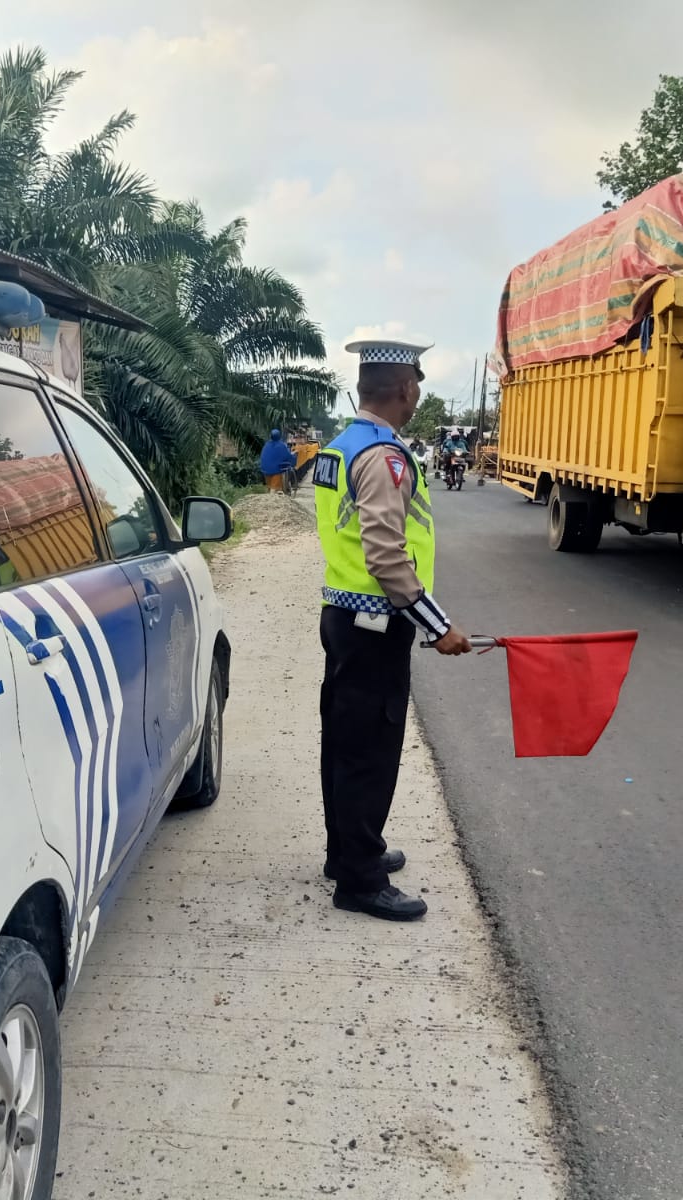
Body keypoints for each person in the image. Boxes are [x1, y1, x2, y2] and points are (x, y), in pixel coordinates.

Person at [314, 336, 473, 922]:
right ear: (405, 388)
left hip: (343, 616)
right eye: (417, 386)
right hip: (375, 624)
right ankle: (359, 878)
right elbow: (385, 555)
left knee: (345, 741)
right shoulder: (385, 457)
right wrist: (437, 627)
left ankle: (350, 851)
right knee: (368, 752)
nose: (416, 396)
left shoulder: (340, 446)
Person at [260, 427, 298, 492]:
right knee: (274, 489)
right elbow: (288, 457)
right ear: (279, 436)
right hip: (275, 470)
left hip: (265, 469)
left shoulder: (266, 444)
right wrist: (294, 458)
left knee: (269, 487)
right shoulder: (281, 445)